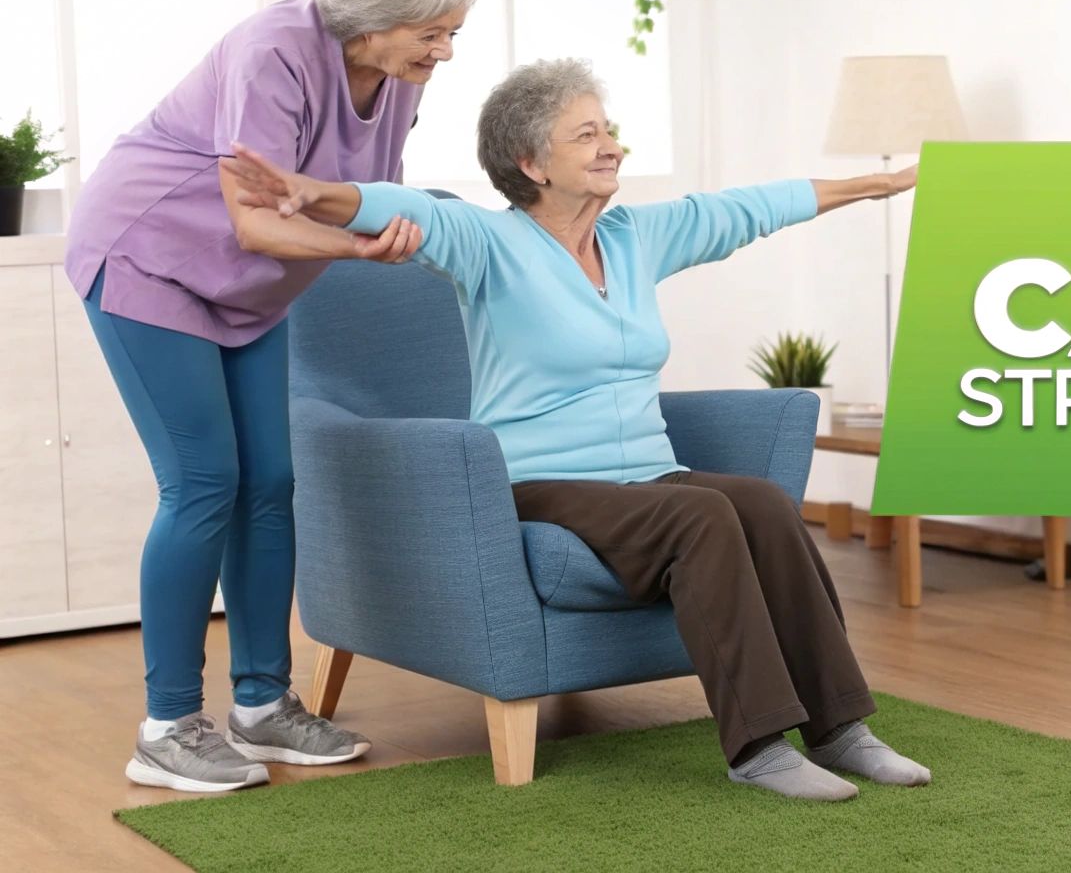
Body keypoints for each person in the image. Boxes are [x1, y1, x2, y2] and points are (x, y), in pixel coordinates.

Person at [221, 57, 932, 802]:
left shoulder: (635, 237)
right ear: (530, 162)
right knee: (704, 516)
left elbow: (753, 207)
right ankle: (756, 746)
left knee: (764, 505)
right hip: (540, 482)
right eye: (585, 134)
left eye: (609, 130)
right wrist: (313, 194)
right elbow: (404, 206)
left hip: (647, 479)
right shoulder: (488, 245)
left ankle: (840, 728)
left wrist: (882, 185)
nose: (610, 145)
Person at [62, 0, 481, 793]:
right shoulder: (273, 52)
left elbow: (358, 194)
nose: (446, 47)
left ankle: (263, 703)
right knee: (205, 480)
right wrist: (363, 247)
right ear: (373, 18)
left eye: (452, 30)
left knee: (272, 483)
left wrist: (383, 223)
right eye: (433, 31)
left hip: (251, 289)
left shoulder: (398, 74)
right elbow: (257, 218)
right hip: (151, 257)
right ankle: (168, 726)